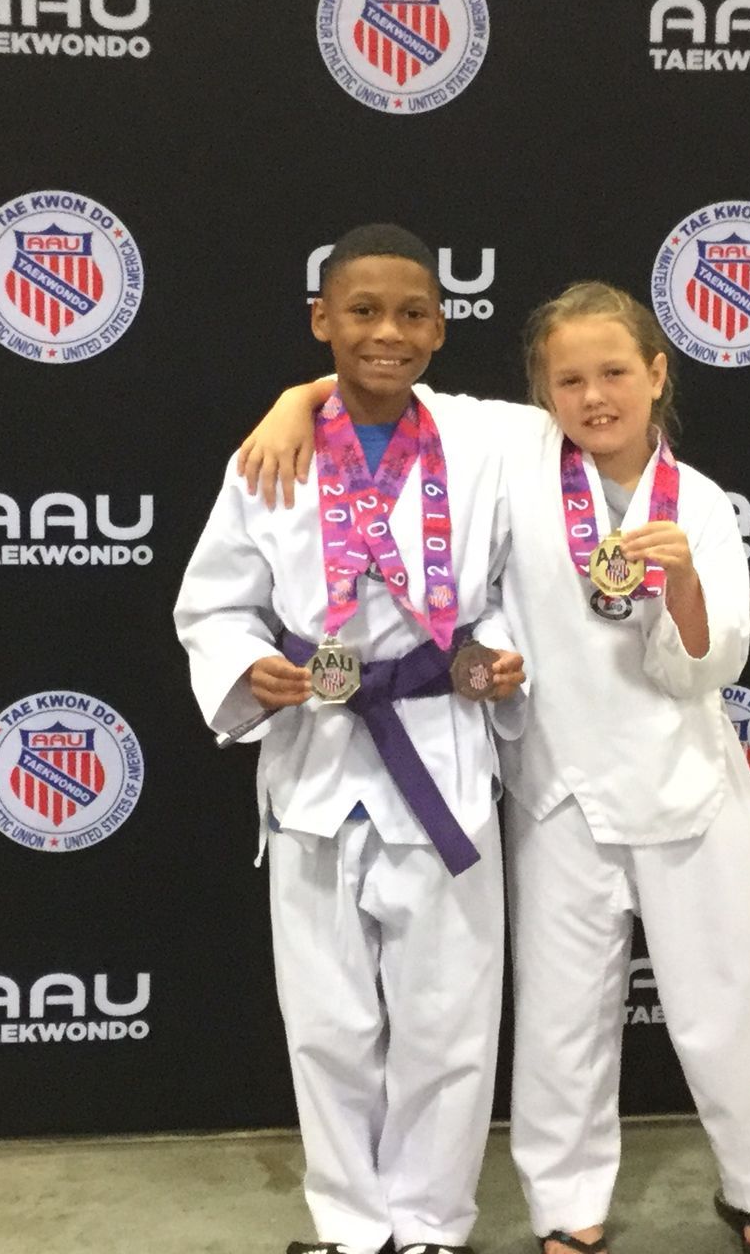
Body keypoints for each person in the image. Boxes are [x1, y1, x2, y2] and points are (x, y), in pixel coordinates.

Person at [237, 282, 750, 1254]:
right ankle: (568, 1211)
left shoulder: (701, 505)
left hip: (691, 789)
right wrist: (297, 401)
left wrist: (679, 580)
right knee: (560, 1025)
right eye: (570, 379)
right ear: (545, 392)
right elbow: (388, 390)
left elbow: (707, 667)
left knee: (729, 1006)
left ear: (659, 375)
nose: (594, 398)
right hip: (557, 793)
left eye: (615, 374)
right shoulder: (516, 454)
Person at [173, 224, 528, 1254]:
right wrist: (247, 670)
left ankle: (430, 1225)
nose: (388, 332)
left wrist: (496, 655)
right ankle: (349, 1224)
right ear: (320, 321)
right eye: (362, 311)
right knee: (328, 1022)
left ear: (443, 328)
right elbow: (214, 606)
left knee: (448, 1024)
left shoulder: (484, 442)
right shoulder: (268, 455)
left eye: (413, 313)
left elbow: (508, 587)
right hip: (316, 762)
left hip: (441, 752)